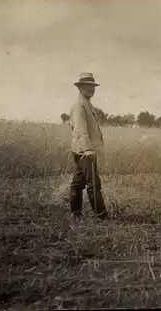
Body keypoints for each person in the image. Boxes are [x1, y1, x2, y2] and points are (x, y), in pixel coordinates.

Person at [69, 72, 108, 221]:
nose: (91, 89)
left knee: (78, 182)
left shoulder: (86, 104)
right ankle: (101, 216)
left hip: (80, 149)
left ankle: (75, 213)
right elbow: (80, 129)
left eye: (92, 86)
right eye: (87, 86)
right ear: (80, 87)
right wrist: (88, 149)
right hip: (85, 150)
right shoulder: (80, 105)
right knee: (93, 183)